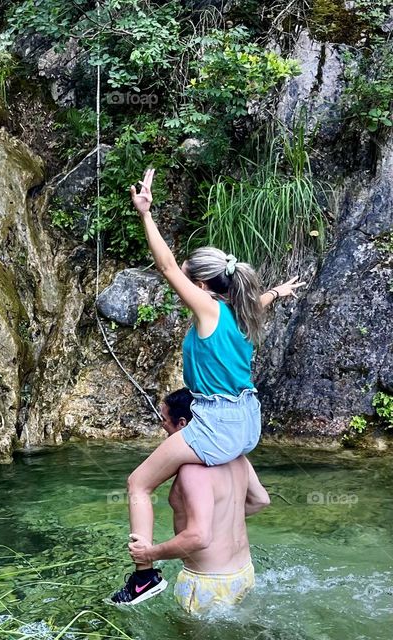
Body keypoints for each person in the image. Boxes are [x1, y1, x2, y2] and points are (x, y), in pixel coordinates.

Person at [109, 168, 304, 604]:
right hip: (247, 420)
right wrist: (279, 291)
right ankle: (220, 537)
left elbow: (163, 266)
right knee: (196, 484)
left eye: (186, 274)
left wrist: (145, 214)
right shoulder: (240, 310)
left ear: (200, 286)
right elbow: (259, 300)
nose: (179, 274)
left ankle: (144, 575)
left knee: (139, 483)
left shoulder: (207, 309)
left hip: (215, 421)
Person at [126, 389, 271, 614]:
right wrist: (220, 523)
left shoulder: (192, 470)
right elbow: (261, 500)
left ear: (183, 424)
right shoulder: (236, 456)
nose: (162, 426)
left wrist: (149, 554)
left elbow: (199, 537)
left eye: (164, 420)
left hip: (207, 584)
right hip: (244, 573)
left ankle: (143, 580)